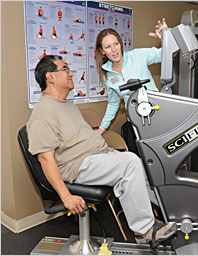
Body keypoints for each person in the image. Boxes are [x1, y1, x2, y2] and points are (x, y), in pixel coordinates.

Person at [27, 55, 177, 247]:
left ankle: (171, 213)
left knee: (143, 165)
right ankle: (145, 231)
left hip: (97, 156)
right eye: (65, 69)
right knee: (129, 163)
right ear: (51, 77)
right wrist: (66, 196)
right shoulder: (43, 113)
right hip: (77, 167)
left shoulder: (67, 105)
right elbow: (45, 159)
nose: (71, 73)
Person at [94, 18, 167, 137]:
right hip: (135, 121)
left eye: (116, 44)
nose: (114, 50)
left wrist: (166, 37)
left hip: (156, 114)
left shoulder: (138, 56)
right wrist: (102, 128)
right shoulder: (107, 74)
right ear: (102, 51)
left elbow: (165, 55)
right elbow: (113, 103)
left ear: (120, 44)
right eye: (107, 47)